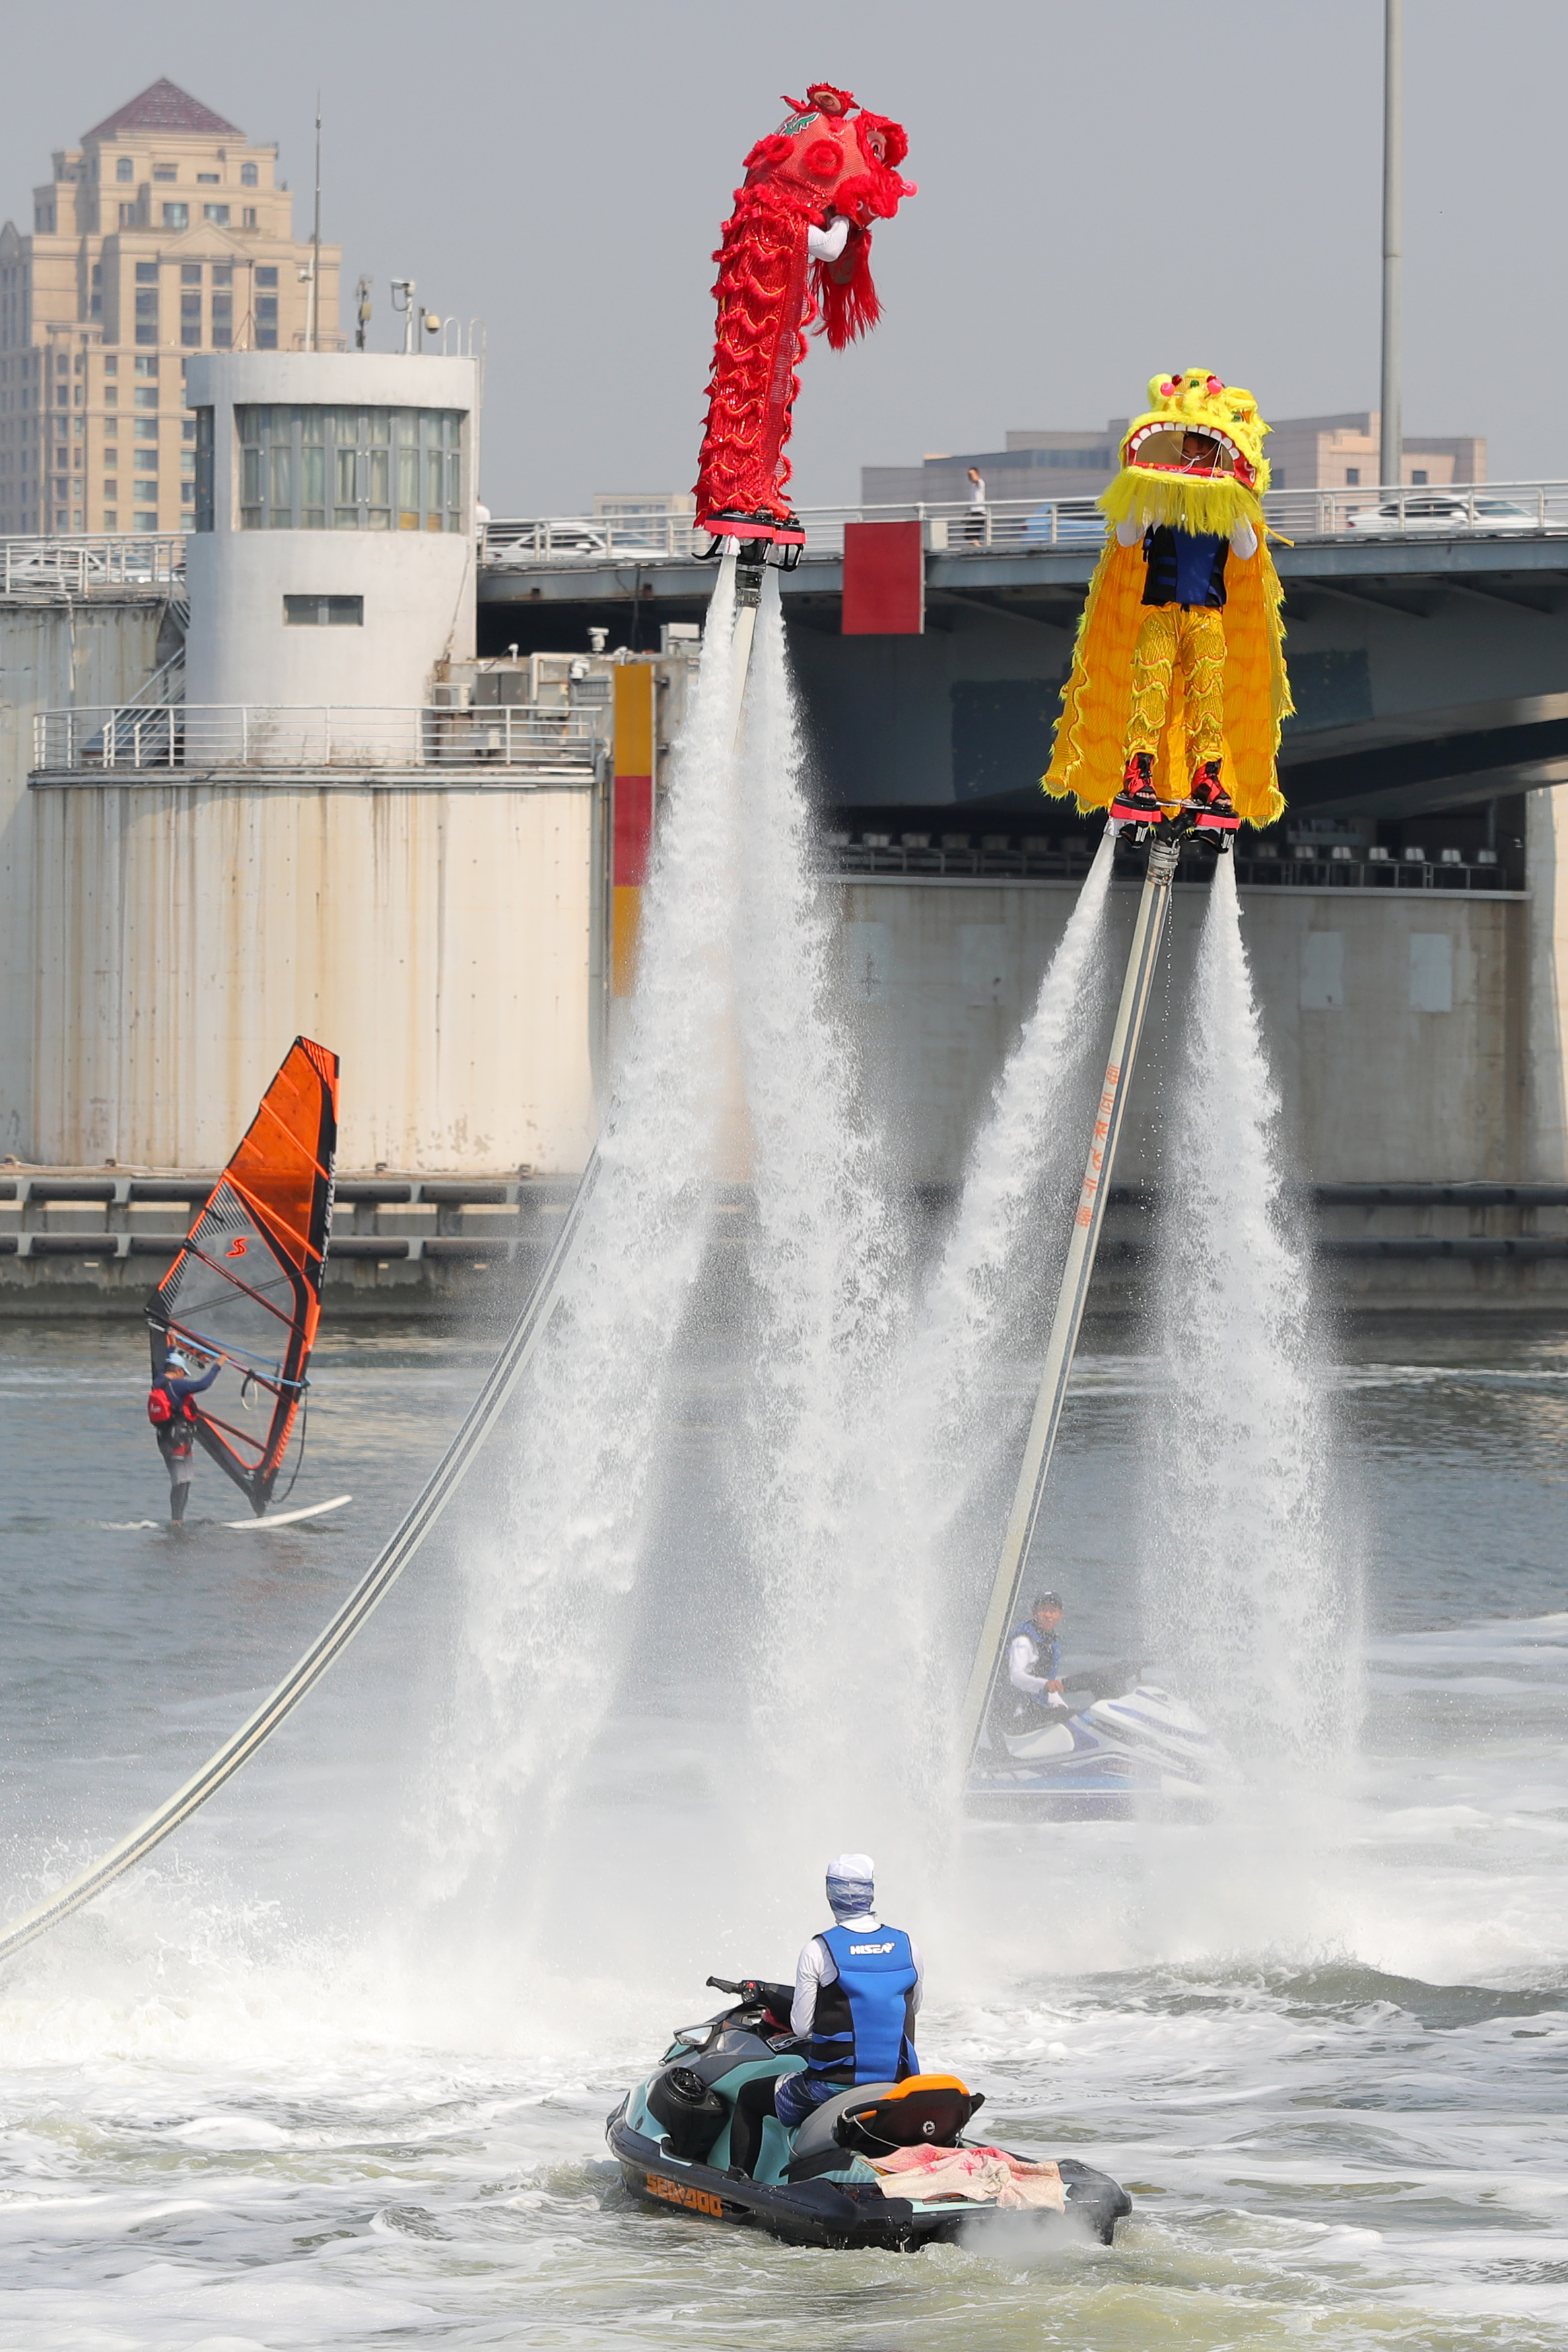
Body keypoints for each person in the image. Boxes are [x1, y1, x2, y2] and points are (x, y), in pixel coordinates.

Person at [726, 1853, 923, 2178]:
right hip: (896, 2084)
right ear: (870, 1893)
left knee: (749, 2097)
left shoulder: (819, 1949)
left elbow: (802, 2027)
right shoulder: (908, 1945)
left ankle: (738, 2185)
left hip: (831, 2088)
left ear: (830, 1893)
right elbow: (911, 2008)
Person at [1112, 429, 1258, 828]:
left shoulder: (1226, 502)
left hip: (1207, 618)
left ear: (1216, 451)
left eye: (1203, 445)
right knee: (1150, 692)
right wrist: (1140, 492)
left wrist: (1238, 499)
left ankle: (1207, 779)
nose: (1194, 451)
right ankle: (1138, 771)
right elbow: (1127, 537)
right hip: (1161, 612)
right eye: (1189, 443)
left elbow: (1247, 549)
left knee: (1208, 699)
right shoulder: (1160, 496)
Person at [147, 1344, 219, 1524]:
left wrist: (171, 1347)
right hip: (177, 1441)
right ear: (178, 1370)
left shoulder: (159, 1381)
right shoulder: (177, 1386)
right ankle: (177, 1522)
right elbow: (203, 1384)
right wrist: (219, 1365)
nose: (184, 1377)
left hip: (166, 1439)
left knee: (180, 1481)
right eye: (183, 1373)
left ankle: (178, 1519)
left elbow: (167, 1363)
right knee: (182, 1482)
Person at [1007, 1592, 1067, 1723]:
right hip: (1013, 1714)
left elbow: (1049, 1688)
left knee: (1070, 1716)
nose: (1048, 1615)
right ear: (1034, 1611)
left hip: (1034, 1708)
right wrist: (1044, 1685)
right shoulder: (1023, 1641)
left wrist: (1061, 1705)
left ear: (1060, 1615)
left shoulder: (1051, 1645)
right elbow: (1015, 1677)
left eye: (1053, 1611)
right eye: (1043, 1610)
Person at [964, 464, 987, 544]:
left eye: (971, 475)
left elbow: (978, 481)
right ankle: (980, 549)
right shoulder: (973, 486)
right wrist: (967, 513)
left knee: (970, 535)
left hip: (979, 513)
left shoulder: (980, 483)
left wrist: (976, 477)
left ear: (977, 474)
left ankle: (980, 549)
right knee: (970, 536)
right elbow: (973, 501)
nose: (970, 477)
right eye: (968, 475)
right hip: (974, 513)